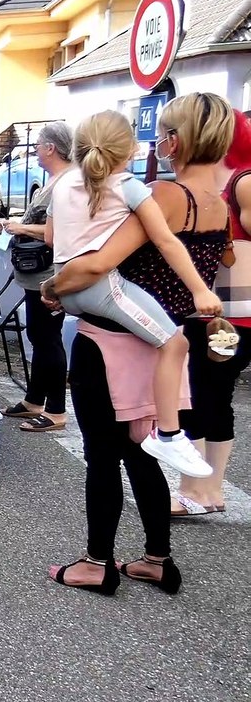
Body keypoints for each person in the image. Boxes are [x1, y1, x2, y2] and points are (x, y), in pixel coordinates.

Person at [43, 93, 236, 595]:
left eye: (164, 133)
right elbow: (225, 262)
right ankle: (156, 558)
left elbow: (96, 263)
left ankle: (96, 563)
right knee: (142, 453)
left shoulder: (165, 196)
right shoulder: (217, 204)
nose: (158, 142)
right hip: (161, 345)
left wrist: (54, 287)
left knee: (103, 457)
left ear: (178, 141)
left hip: (111, 343)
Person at [43, 110, 221, 477]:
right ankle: (168, 434)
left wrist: (54, 286)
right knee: (175, 344)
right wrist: (200, 290)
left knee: (100, 461)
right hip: (102, 288)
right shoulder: (128, 186)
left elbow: (55, 238)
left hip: (68, 286)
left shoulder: (63, 183)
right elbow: (167, 242)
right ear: (130, 151)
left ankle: (166, 435)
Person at [173, 106, 251, 516]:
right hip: (227, 310)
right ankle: (206, 489)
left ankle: (200, 491)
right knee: (211, 396)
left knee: (203, 396)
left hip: (228, 312)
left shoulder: (243, 181)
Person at [2, 122, 74, 433]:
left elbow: (54, 235)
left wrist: (20, 227)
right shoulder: (56, 181)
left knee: (47, 340)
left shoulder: (66, 184)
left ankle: (56, 410)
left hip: (49, 274)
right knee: (38, 337)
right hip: (37, 276)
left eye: (38, 145)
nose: (35, 150)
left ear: (51, 148)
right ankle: (34, 400)